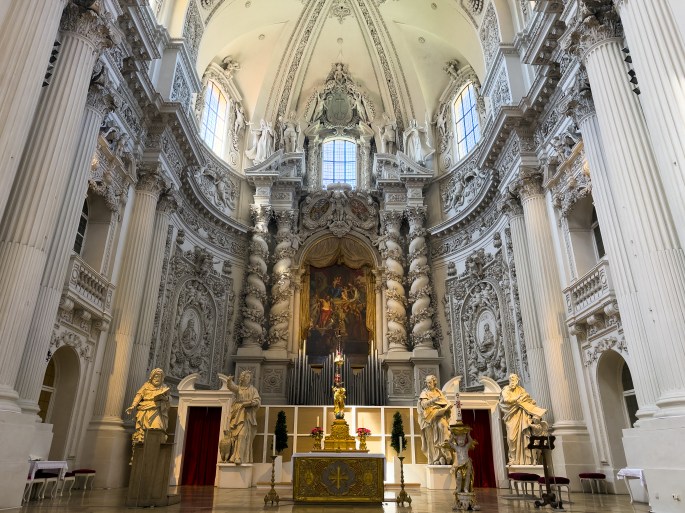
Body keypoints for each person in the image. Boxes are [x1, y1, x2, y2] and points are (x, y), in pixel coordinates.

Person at [499, 373, 547, 465]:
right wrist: (518, 399)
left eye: (514, 379)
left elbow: (528, 399)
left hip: (521, 415)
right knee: (511, 438)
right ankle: (513, 458)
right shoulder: (506, 389)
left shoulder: (521, 390)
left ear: (517, 380)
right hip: (511, 416)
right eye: (511, 379)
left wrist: (530, 401)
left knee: (524, 436)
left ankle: (526, 460)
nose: (512, 381)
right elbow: (506, 400)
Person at [126, 368, 170, 445]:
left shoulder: (164, 387)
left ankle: (154, 445)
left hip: (157, 411)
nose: (157, 378)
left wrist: (165, 398)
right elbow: (139, 395)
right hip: (144, 411)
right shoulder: (146, 386)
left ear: (162, 378)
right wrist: (133, 406)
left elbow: (169, 400)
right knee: (142, 430)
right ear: (152, 377)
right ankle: (142, 445)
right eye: (155, 376)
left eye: (159, 377)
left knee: (157, 427)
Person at [225, 371, 261, 464]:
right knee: (235, 436)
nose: (248, 378)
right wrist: (229, 381)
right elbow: (232, 387)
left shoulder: (253, 390)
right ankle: (234, 456)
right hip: (238, 413)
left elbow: (257, 401)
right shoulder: (239, 388)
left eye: (249, 377)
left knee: (242, 435)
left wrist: (250, 403)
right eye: (246, 377)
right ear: (242, 378)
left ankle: (239, 457)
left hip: (247, 415)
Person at [417, 375, 452, 465]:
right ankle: (435, 458)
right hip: (429, 418)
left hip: (440, 415)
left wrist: (448, 406)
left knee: (443, 427)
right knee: (431, 438)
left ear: (434, 382)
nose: (428, 384)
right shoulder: (424, 393)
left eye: (430, 382)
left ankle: (444, 453)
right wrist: (433, 400)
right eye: (427, 383)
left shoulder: (439, 392)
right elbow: (424, 405)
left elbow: (444, 402)